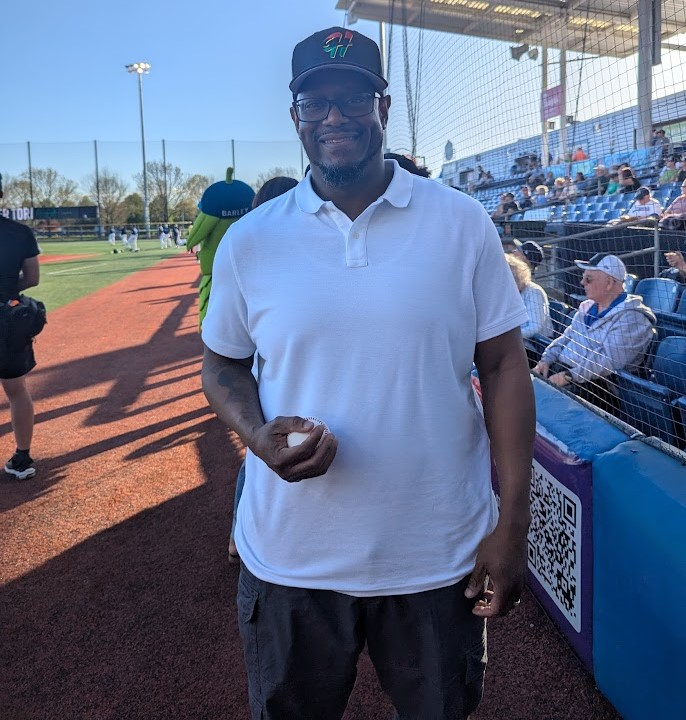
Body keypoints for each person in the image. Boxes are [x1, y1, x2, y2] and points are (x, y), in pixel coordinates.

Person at [201, 26, 535, 720]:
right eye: (314, 101)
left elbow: (503, 364)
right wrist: (256, 435)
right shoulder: (252, 241)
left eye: (352, 96)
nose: (334, 116)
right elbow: (223, 363)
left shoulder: (462, 222)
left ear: (382, 105)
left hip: (437, 556)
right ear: (294, 116)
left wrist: (514, 520)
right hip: (292, 559)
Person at [533, 254, 655, 414]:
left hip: (600, 387)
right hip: (566, 373)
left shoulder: (633, 317)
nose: (582, 283)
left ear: (609, 283)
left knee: (541, 408)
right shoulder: (587, 307)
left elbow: (608, 361)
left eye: (589, 279)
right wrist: (546, 360)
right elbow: (566, 338)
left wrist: (571, 376)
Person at [0, 175, 41, 479]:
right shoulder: (20, 232)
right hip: (8, 317)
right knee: (16, 390)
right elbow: (32, 278)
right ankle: (22, 459)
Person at [505, 254, 553, 338]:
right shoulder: (505, 294)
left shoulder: (534, 291)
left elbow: (535, 328)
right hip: (514, 340)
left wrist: (508, 338)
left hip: (536, 343)